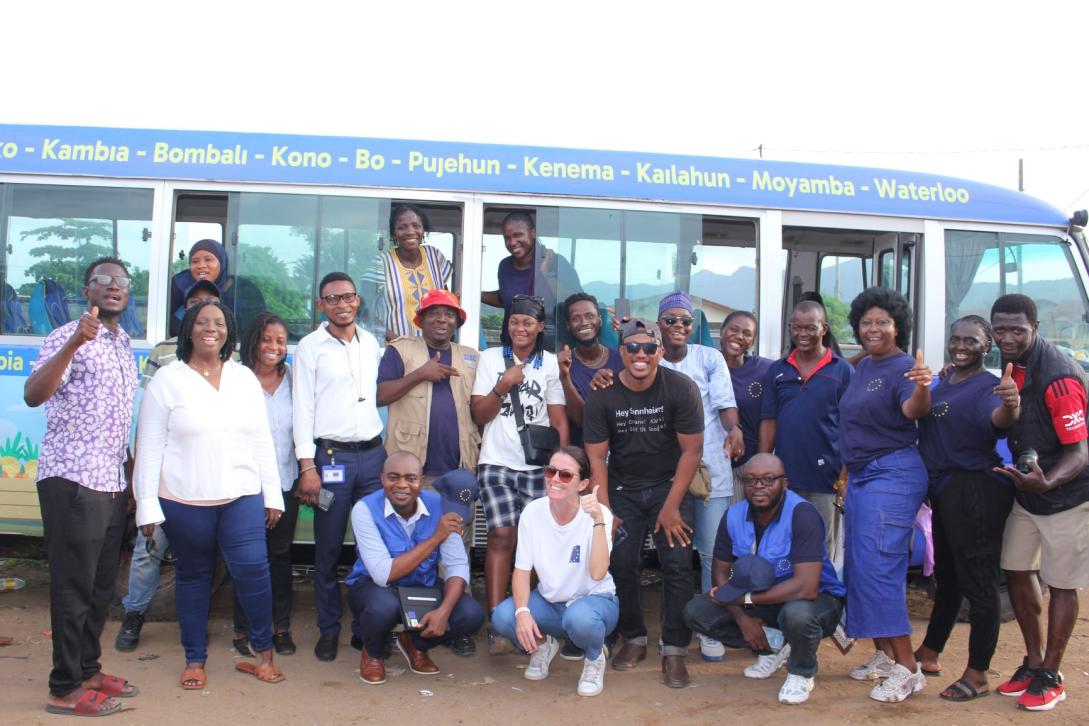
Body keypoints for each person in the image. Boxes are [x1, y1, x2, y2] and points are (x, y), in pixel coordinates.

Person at [134, 301, 285, 689]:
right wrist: (146, 505)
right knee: (193, 576)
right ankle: (194, 658)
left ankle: (263, 653)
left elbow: (261, 438)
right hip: (184, 500)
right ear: (189, 330)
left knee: (253, 570)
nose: (210, 329)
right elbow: (149, 446)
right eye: (202, 322)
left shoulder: (243, 378)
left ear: (229, 331)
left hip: (242, 496)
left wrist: (273, 495)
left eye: (219, 322)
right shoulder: (168, 380)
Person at [26, 257, 140, 717]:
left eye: (121, 281)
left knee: (98, 587)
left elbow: (117, 420)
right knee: (73, 588)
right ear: (87, 289)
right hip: (72, 479)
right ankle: (64, 687)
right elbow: (34, 393)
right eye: (103, 280)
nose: (114, 286)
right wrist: (75, 342)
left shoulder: (123, 343)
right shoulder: (65, 336)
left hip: (109, 482)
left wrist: (128, 479)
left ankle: (89, 670)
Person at [583, 318, 703, 688]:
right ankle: (633, 636)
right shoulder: (603, 396)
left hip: (670, 485)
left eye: (649, 348)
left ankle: (675, 647)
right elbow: (596, 459)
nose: (641, 354)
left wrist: (672, 506)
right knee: (621, 561)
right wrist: (606, 513)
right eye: (632, 347)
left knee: (678, 563)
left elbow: (692, 451)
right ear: (621, 352)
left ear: (661, 352)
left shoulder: (681, 388)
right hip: (623, 489)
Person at [989, 293, 1089, 712]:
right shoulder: (1014, 364)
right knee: (1016, 569)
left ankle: (1052, 673)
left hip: (1066, 496)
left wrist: (1047, 482)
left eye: (1017, 330)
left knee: (1062, 583)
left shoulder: (1059, 378)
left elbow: (1079, 452)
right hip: (1028, 493)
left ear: (1035, 329)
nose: (1007, 338)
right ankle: (1032, 662)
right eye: (1000, 330)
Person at [913, 315, 1020, 702]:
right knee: (948, 577)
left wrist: (1011, 404)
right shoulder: (947, 380)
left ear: (986, 345)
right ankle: (929, 652)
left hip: (975, 490)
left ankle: (978, 673)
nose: (961, 346)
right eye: (955, 339)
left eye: (971, 341)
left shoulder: (990, 388)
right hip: (945, 491)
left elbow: (998, 420)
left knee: (980, 584)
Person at [683, 453, 846, 705]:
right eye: (751, 480)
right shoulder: (733, 515)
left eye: (768, 480)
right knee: (697, 612)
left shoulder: (802, 514)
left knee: (797, 615)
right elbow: (720, 573)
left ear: (784, 483)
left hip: (815, 598)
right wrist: (742, 618)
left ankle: (801, 671)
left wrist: (744, 600)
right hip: (764, 596)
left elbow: (806, 587)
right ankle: (774, 644)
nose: (759, 486)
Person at [115, 279, 221, 653]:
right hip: (164, 475)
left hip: (206, 477)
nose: (203, 311)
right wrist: (139, 478)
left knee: (199, 556)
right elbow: (147, 417)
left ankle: (195, 622)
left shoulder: (229, 356)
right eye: (195, 304)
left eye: (211, 303)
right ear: (185, 311)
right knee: (149, 549)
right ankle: (134, 614)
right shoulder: (163, 352)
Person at [838, 287, 932, 702]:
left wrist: (923, 387)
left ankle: (909, 669)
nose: (872, 328)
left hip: (892, 475)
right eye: (866, 322)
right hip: (862, 476)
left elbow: (914, 410)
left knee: (879, 568)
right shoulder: (865, 365)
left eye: (882, 322)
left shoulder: (905, 368)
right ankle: (885, 655)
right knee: (860, 567)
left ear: (898, 327)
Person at [376, 288, 480, 655]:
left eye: (449, 314)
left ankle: (455, 624)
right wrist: (421, 374)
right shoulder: (400, 351)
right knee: (409, 546)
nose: (442, 319)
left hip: (459, 473)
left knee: (456, 547)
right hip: (412, 476)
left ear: (457, 321)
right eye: (434, 313)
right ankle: (401, 622)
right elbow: (381, 395)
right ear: (420, 319)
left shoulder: (471, 357)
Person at [293, 272, 386, 662]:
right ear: (321, 305)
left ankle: (366, 627)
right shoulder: (310, 348)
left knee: (373, 546)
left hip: (373, 457)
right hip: (331, 460)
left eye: (348, 297)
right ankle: (329, 629)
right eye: (332, 299)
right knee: (328, 549)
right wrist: (306, 466)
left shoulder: (372, 343)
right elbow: (302, 408)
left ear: (358, 300)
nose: (342, 304)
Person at [470, 294, 569, 653]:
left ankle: (534, 617)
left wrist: (562, 467)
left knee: (537, 545)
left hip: (537, 467)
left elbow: (558, 419)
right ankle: (498, 622)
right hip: (496, 461)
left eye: (528, 323)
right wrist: (503, 384)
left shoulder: (549, 364)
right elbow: (479, 414)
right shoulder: (491, 358)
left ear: (540, 326)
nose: (520, 328)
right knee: (501, 536)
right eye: (514, 322)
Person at [654, 291, 742, 664]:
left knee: (711, 554)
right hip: (665, 473)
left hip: (710, 471)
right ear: (659, 324)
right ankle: (674, 630)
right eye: (670, 320)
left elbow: (725, 405)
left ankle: (709, 626)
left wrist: (734, 430)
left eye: (685, 321)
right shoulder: (649, 357)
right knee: (674, 558)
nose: (678, 326)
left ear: (693, 326)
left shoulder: (709, 358)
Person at [346, 451, 485, 685]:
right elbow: (383, 574)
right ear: (382, 479)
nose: (402, 485)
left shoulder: (442, 506)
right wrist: (435, 538)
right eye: (393, 477)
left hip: (421, 585)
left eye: (410, 478)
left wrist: (443, 612)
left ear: (421, 481)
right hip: (375, 587)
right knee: (383, 607)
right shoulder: (365, 509)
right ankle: (373, 651)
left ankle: (416, 644)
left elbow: (457, 566)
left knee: (471, 614)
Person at [491, 447, 620, 697]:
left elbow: (597, 573)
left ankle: (594, 658)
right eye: (550, 471)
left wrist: (597, 519)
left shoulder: (598, 513)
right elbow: (521, 570)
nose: (555, 479)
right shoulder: (533, 512)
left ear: (582, 484)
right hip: (550, 602)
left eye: (565, 475)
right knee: (503, 617)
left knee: (580, 619)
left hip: (594, 601)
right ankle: (542, 645)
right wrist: (522, 612)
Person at [758, 301, 853, 565]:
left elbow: (851, 427)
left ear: (824, 328)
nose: (802, 334)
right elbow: (769, 421)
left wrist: (844, 476)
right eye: (796, 327)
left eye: (810, 327)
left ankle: (818, 592)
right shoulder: (778, 370)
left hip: (826, 479)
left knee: (820, 548)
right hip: (785, 478)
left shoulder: (842, 370)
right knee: (782, 544)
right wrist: (763, 467)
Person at [232, 313, 300, 657]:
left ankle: (280, 627)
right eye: (267, 339)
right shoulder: (236, 380)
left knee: (279, 556)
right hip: (246, 487)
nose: (274, 347)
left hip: (287, 482)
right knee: (248, 559)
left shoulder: (295, 382)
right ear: (253, 341)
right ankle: (244, 627)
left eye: (281, 341)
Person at [481, 211, 581, 351]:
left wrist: (546, 273)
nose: (512, 242)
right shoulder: (505, 266)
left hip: (551, 350)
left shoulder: (556, 262)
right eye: (507, 238)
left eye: (518, 235)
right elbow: (506, 297)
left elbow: (574, 303)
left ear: (533, 233)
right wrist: (476, 295)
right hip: (514, 348)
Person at [375, 204, 453, 341]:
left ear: (423, 229)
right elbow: (366, 311)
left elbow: (446, 302)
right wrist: (397, 342)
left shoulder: (434, 256)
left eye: (416, 226)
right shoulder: (381, 262)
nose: (410, 232)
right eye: (402, 227)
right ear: (393, 232)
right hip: (395, 347)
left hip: (433, 346)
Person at [557, 292, 623, 447]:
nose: (584, 322)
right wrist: (564, 377)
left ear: (600, 320)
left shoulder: (622, 359)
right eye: (576, 318)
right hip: (582, 451)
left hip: (621, 451)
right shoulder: (562, 364)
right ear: (568, 325)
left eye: (590, 316)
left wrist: (631, 327)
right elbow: (581, 421)